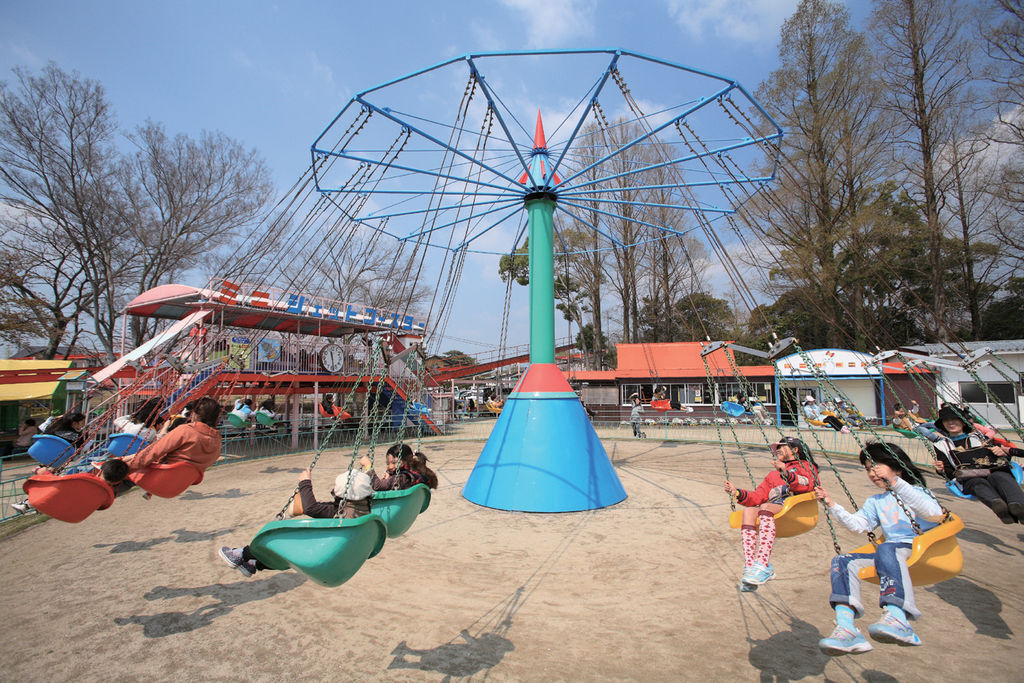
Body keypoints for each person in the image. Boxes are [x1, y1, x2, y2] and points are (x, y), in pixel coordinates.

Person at [814, 442, 943, 655]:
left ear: (897, 467)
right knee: (843, 561)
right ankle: (847, 629)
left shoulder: (917, 492)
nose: (872, 473)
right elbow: (858, 525)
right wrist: (831, 504)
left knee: (887, 548)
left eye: (876, 466)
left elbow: (932, 514)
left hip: (924, 549)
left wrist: (896, 483)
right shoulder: (876, 501)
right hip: (892, 552)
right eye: (867, 469)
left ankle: (898, 617)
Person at [220, 466, 375, 577]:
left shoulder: (339, 513)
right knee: (287, 557)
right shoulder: (362, 511)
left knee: (281, 541)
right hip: (341, 557)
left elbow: (312, 508)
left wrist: (305, 483)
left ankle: (239, 554)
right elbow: (325, 507)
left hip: (319, 554)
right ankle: (253, 564)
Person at [724, 436, 818, 588]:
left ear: (795, 450)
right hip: (774, 509)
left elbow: (806, 484)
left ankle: (763, 563)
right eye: (777, 448)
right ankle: (751, 567)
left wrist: (786, 473)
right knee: (749, 511)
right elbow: (757, 497)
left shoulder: (805, 466)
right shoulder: (772, 475)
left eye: (782, 447)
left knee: (765, 507)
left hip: (796, 508)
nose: (778, 450)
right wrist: (737, 492)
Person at [930, 405, 1024, 524]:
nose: (950, 423)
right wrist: (941, 469)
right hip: (968, 477)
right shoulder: (941, 445)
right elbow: (949, 472)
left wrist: (1001, 452)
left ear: (963, 422)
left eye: (954, 419)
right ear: (942, 424)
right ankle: (999, 506)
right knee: (977, 483)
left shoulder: (979, 438)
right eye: (946, 420)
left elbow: (1003, 455)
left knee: (1001, 476)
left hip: (993, 470)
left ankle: (1019, 506)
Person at [123, 397, 222, 475]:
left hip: (163, 474)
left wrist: (125, 469)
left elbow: (153, 452)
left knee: (126, 463)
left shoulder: (186, 431)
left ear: (194, 415)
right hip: (185, 480)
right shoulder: (217, 439)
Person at [11, 458, 132, 514]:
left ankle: (30, 504)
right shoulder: (108, 495)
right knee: (62, 492)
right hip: (75, 509)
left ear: (100, 470)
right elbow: (102, 507)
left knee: (51, 485)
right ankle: (31, 505)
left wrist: (41, 471)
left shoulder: (85, 479)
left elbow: (57, 481)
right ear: (118, 481)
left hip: (64, 498)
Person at [362, 443, 437, 491]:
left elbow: (377, 486)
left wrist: (369, 466)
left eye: (394, 463)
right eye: (388, 463)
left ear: (406, 460)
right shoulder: (413, 473)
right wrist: (390, 478)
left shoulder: (403, 477)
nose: (390, 466)